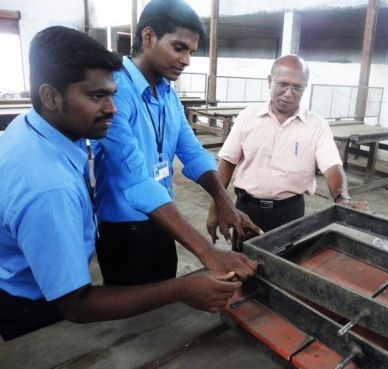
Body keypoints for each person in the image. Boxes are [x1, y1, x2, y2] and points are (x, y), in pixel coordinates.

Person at [0, 26, 241, 342]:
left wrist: (221, 199)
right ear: (50, 97)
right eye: (96, 96)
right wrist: (183, 288)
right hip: (33, 306)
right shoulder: (48, 186)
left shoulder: (41, 129)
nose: (112, 109)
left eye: (112, 94)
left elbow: (191, 151)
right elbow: (77, 305)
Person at [91, 0, 259, 287]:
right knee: (131, 321)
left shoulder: (168, 94)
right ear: (148, 37)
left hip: (164, 222)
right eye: (179, 47)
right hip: (124, 230)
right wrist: (207, 252)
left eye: (191, 52)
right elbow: (136, 181)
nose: (187, 60)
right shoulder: (114, 92)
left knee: (164, 308)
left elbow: (193, 152)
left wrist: (222, 199)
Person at [207, 54, 368, 239]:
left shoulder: (316, 125)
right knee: (244, 262)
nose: (289, 93)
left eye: (297, 88)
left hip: (290, 212)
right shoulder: (247, 117)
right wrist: (216, 205)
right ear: (269, 81)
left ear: (304, 88)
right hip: (245, 209)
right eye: (283, 84)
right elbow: (227, 162)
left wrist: (341, 197)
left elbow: (332, 166)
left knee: (285, 262)